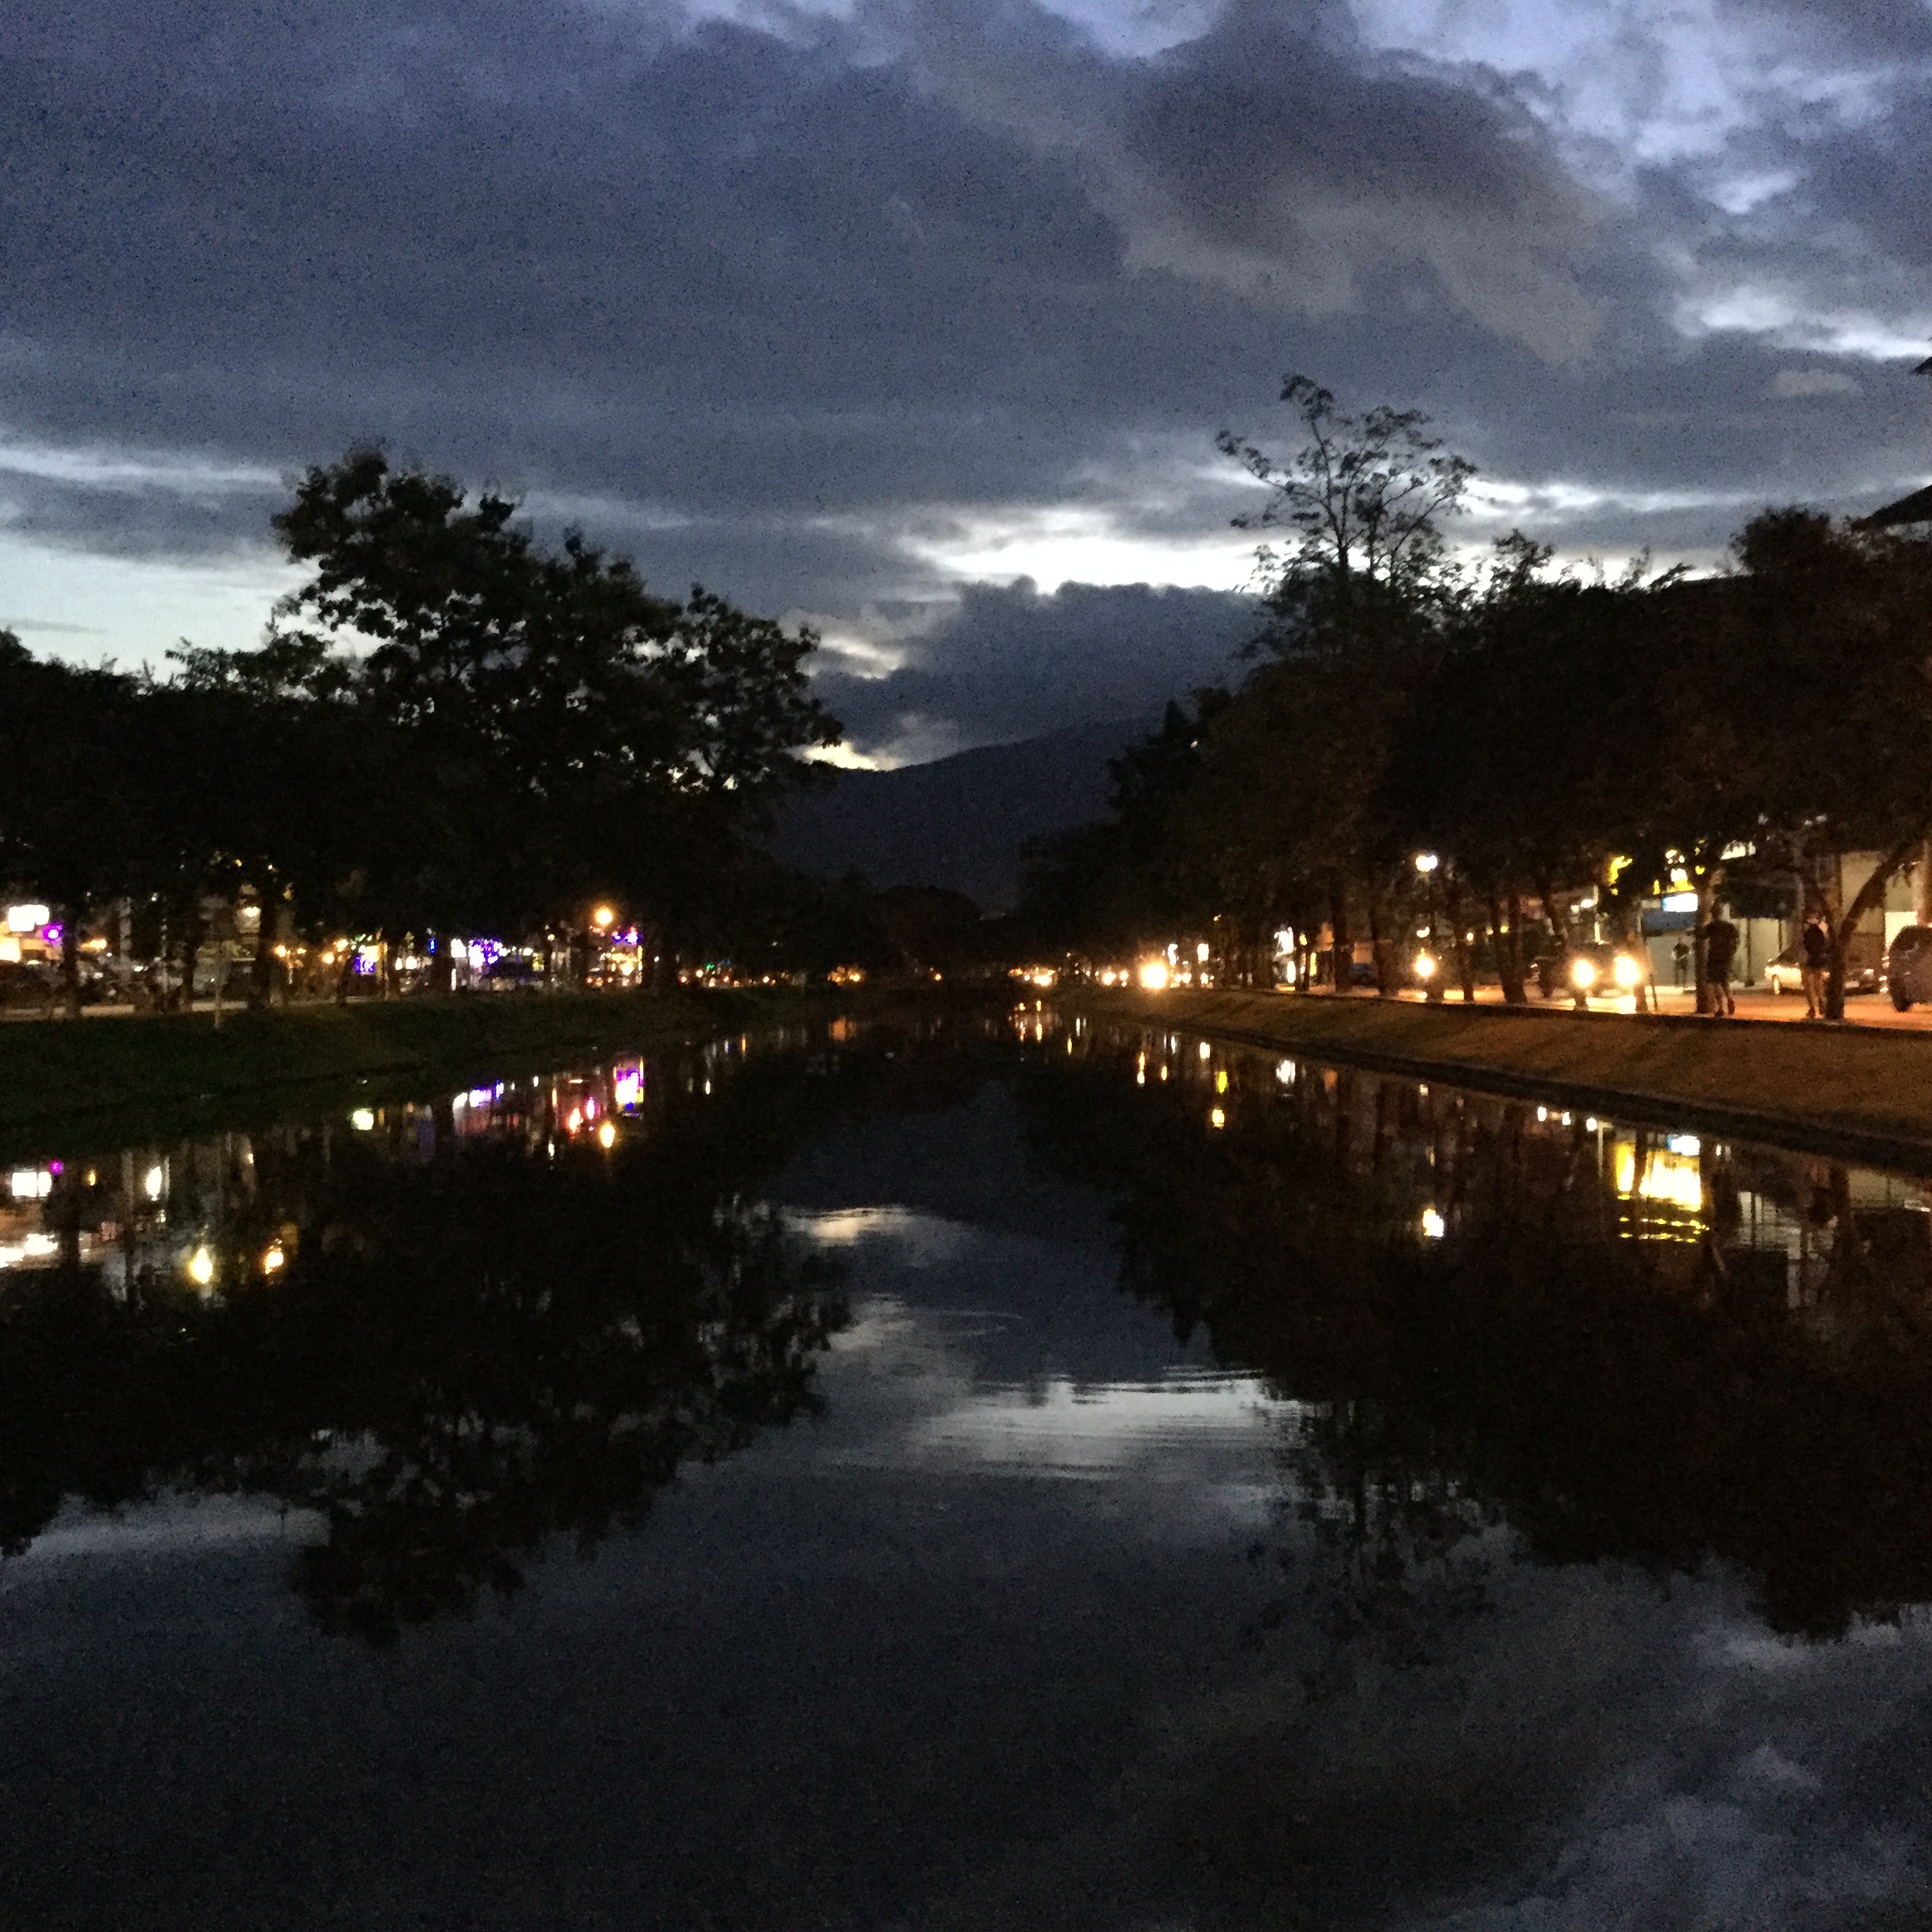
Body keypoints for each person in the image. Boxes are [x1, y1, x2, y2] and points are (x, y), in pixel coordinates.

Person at [1700, 912, 1739, 1016]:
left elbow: (1701, 935)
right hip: (1726, 957)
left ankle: (1720, 1007)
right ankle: (1730, 999)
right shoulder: (1729, 926)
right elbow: (1736, 939)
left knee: (1714, 982)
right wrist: (1731, 951)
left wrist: (1705, 923)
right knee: (1723, 981)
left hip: (1714, 956)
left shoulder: (1712, 926)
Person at [1800, 913, 1831, 1019]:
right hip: (1818, 959)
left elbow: (1806, 945)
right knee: (1817, 983)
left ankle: (1813, 1007)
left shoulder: (1810, 931)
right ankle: (1820, 1003)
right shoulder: (1823, 929)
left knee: (1808, 983)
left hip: (1812, 959)